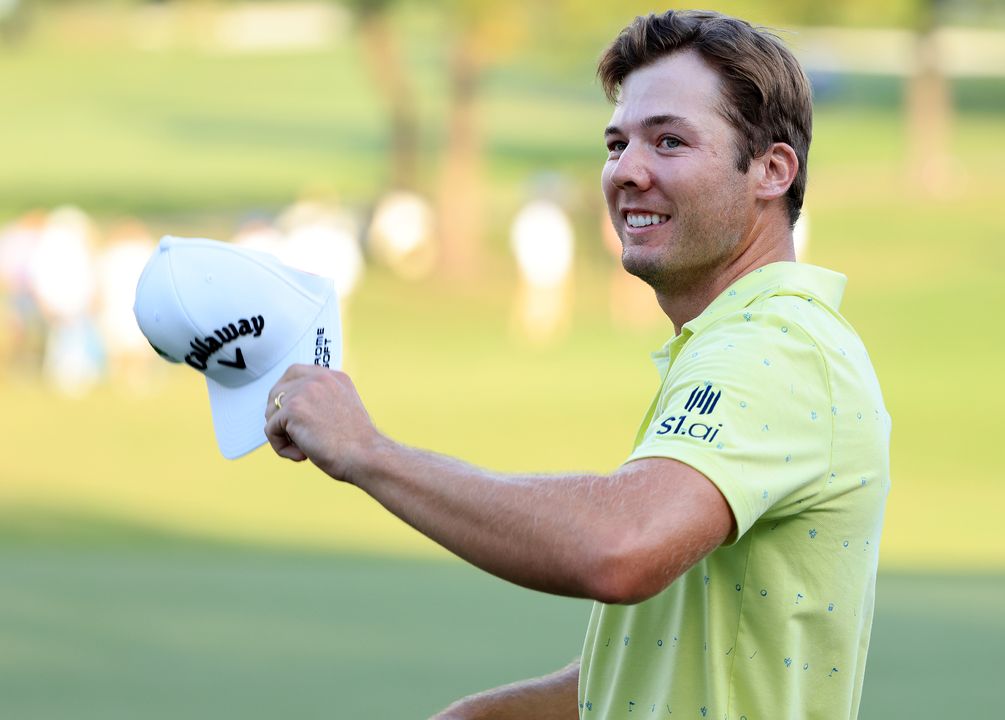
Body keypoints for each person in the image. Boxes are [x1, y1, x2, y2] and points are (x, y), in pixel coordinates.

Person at [264, 10, 890, 719]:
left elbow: (619, 548)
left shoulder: (777, 348)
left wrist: (367, 451)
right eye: (617, 143)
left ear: (772, 171)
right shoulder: (739, 342)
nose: (628, 170)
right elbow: (660, 662)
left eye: (671, 141)